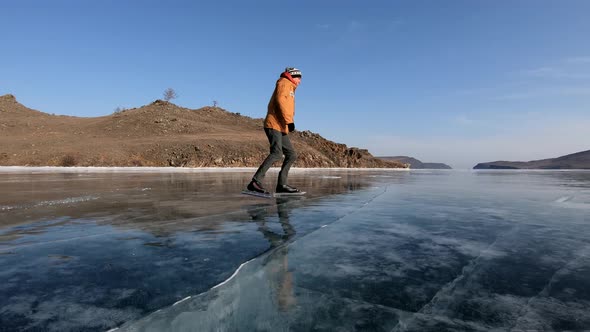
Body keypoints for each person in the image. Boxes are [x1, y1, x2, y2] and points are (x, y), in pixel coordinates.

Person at [247, 67, 302, 194]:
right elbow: (281, 101)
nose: (300, 81)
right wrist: (290, 121)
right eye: (299, 78)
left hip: (281, 126)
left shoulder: (290, 87)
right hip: (274, 124)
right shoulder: (284, 83)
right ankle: (255, 182)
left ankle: (281, 185)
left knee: (291, 154)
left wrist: (287, 124)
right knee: (277, 153)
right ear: (292, 76)